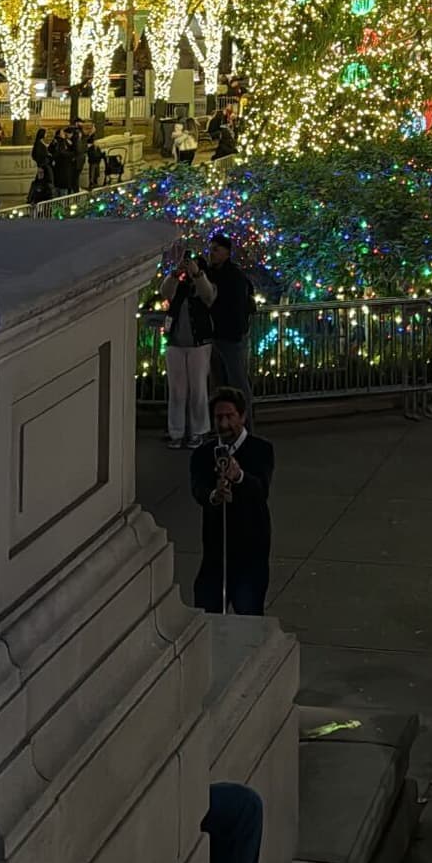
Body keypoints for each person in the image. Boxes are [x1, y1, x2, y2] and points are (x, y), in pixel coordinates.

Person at [191, 387, 275, 614]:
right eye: (219, 417)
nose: (224, 424)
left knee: (248, 615)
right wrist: (214, 496)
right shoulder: (202, 454)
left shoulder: (261, 450)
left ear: (243, 417)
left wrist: (238, 476)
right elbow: (198, 489)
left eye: (230, 417)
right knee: (207, 613)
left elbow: (260, 490)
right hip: (216, 552)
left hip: (250, 551)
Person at [165, 248, 216, 448]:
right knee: (177, 390)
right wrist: (175, 273)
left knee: (198, 389)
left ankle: (198, 430)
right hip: (175, 344)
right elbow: (165, 291)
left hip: (199, 345)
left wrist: (197, 274)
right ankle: (176, 432)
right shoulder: (179, 288)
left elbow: (209, 294)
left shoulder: (203, 287)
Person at [208, 232, 257, 421]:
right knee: (221, 383)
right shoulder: (213, 274)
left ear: (226, 253)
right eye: (211, 250)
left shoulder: (234, 277)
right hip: (217, 335)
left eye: (216, 250)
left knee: (237, 382)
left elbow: (235, 307)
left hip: (231, 336)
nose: (211, 254)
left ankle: (245, 424)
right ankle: (225, 423)